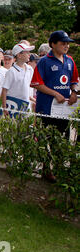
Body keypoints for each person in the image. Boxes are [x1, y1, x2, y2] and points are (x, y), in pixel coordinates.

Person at [30, 30, 78, 182]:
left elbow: (74, 81)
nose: (66, 46)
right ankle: (46, 169)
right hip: (47, 108)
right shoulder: (45, 61)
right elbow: (37, 83)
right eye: (63, 43)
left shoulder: (70, 61)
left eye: (68, 43)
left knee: (62, 138)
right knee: (46, 138)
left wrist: (74, 92)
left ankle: (58, 167)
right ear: (53, 44)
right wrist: (54, 94)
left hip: (63, 109)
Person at [1, 42, 35, 116]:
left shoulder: (30, 69)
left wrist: (33, 100)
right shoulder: (11, 71)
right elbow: (4, 90)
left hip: (27, 106)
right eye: (27, 52)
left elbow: (28, 89)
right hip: (14, 106)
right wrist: (4, 107)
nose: (29, 54)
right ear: (19, 55)